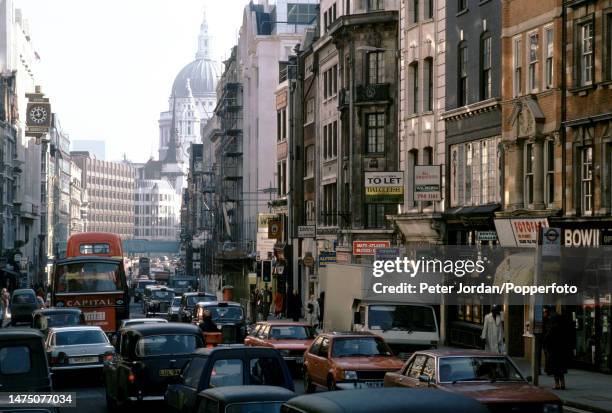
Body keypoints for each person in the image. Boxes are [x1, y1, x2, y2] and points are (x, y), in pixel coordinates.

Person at [543, 306, 574, 390]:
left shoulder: (552, 326)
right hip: (561, 349)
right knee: (560, 368)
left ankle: (557, 384)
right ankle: (562, 384)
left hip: (553, 349)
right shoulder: (561, 325)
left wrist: (545, 343)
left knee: (555, 368)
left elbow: (547, 336)